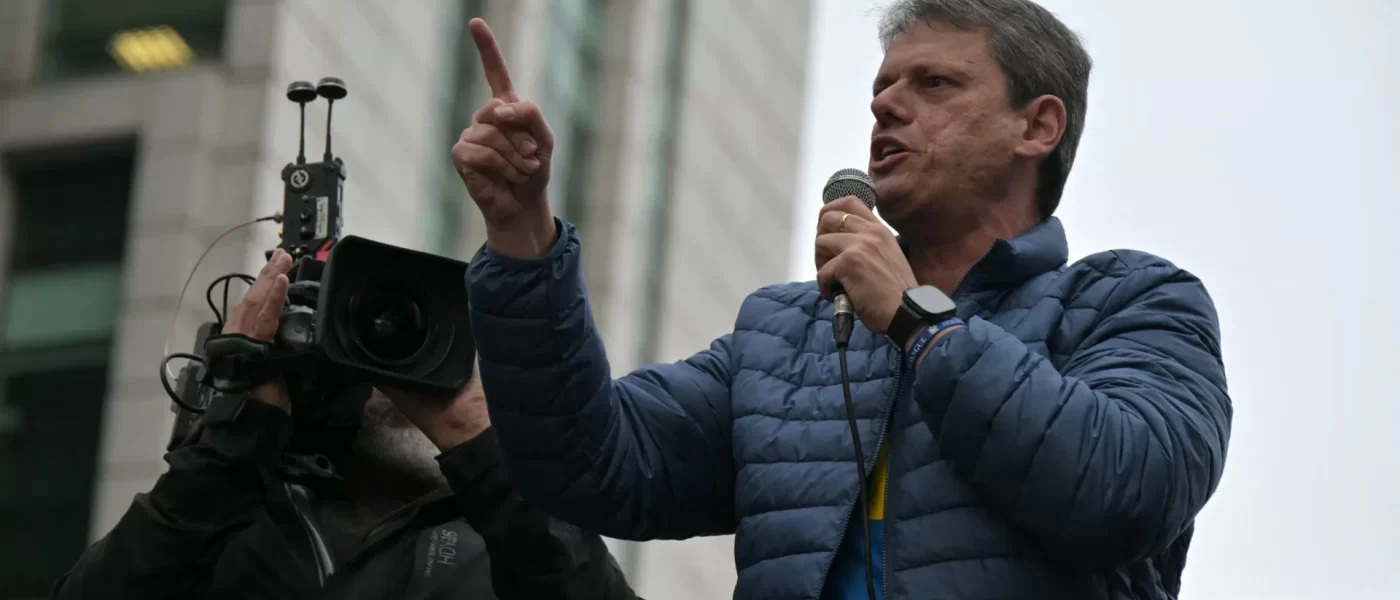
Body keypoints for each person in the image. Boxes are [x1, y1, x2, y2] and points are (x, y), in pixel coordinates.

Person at [454, 1, 1231, 598]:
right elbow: (585, 464)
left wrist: (918, 322)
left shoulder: (1131, 302)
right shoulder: (783, 336)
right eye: (881, 89)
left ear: (1038, 126)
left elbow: (1127, 491)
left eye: (934, 84)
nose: (886, 106)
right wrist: (525, 239)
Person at [51, 249, 638, 600]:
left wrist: (484, 451)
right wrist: (227, 449)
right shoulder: (220, 530)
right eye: (372, 339)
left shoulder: (506, 549)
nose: (398, 378)